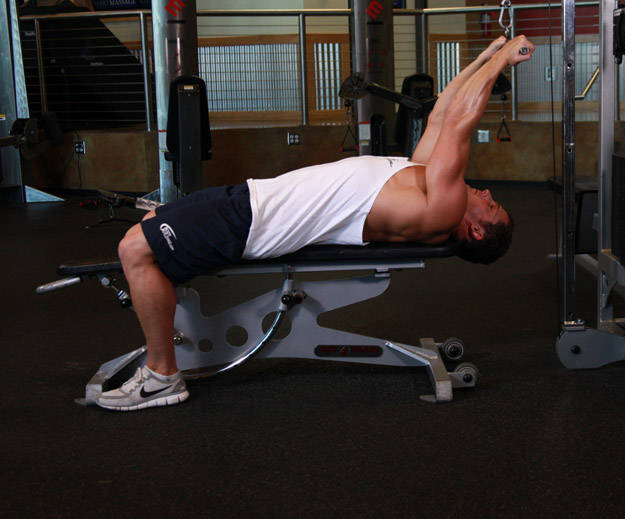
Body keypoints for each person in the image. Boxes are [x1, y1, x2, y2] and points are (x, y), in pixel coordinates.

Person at [95, 34, 534, 412]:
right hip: (254, 199)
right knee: (153, 223)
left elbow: (460, 123)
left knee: (135, 248)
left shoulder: (443, 206)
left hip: (257, 222)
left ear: (475, 231)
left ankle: (161, 375)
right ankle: (165, 337)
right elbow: (442, 113)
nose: (490, 196)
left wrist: (501, 62)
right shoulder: (425, 180)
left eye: (493, 208)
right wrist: (487, 54)